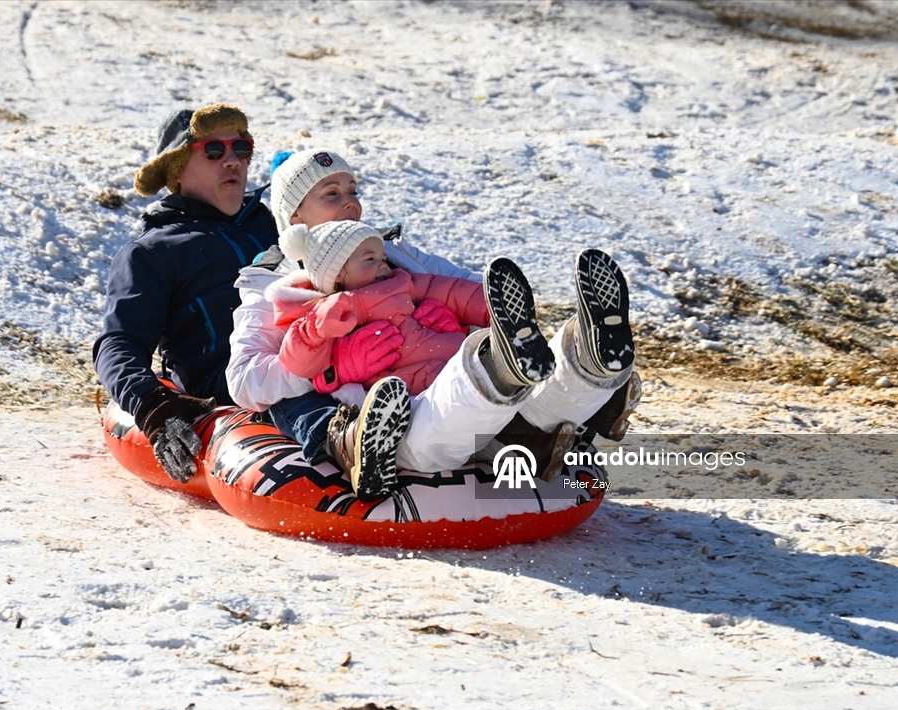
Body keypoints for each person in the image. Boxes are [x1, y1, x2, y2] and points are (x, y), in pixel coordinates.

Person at [227, 148, 640, 492]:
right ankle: (511, 375)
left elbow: (468, 292)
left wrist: (473, 316)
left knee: (505, 380)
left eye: (353, 189)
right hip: (383, 406)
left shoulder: (396, 256)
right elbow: (244, 379)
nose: (350, 202)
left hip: (440, 362)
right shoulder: (276, 287)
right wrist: (329, 359)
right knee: (449, 406)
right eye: (331, 194)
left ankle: (587, 362)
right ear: (296, 219)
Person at [93, 104, 279, 484]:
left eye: (241, 148)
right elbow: (118, 343)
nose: (233, 162)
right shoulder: (152, 253)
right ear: (177, 168)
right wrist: (154, 408)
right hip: (237, 386)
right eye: (214, 150)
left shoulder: (275, 225)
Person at [266, 219, 497, 497]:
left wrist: (492, 308)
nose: (384, 265)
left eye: (383, 257)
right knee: (446, 416)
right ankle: (375, 447)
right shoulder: (326, 311)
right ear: (338, 274)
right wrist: (317, 332)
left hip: (445, 366)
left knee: (484, 402)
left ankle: (534, 425)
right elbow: (299, 363)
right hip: (405, 393)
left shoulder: (405, 283)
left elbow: (451, 291)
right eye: (370, 258)